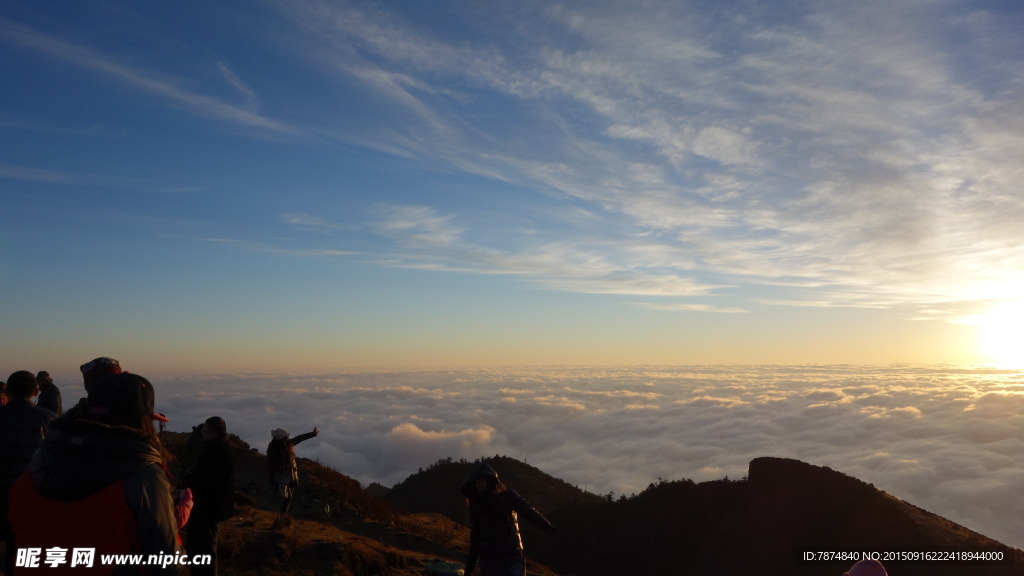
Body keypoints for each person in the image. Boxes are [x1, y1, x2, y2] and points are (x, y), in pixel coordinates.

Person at [8, 372, 186, 576]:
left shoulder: (39, 464)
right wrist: (172, 519)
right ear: (143, 422)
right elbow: (166, 567)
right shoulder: (144, 477)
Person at [0, 371, 58, 576]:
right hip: (32, 493)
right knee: (24, 550)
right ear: (35, 391)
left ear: (7, 390)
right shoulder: (49, 419)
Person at [459, 463, 556, 576]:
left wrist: (544, 524)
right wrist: (469, 569)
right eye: (476, 482)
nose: (479, 484)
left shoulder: (507, 497)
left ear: (489, 481)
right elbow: (475, 540)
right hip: (489, 561)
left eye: (481, 480)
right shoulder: (476, 508)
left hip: (511, 556)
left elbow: (526, 509)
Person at [180, 416, 235, 576]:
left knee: (205, 548)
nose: (202, 432)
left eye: (204, 430)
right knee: (200, 547)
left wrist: (189, 479)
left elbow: (207, 481)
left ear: (212, 432)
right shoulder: (218, 447)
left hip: (208, 509)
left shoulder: (216, 451)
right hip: (207, 508)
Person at [266, 426, 318, 526]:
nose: (287, 438)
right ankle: (281, 518)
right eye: (286, 437)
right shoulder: (275, 449)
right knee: (288, 498)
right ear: (281, 438)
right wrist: (272, 479)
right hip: (283, 475)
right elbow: (271, 465)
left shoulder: (284, 444)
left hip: (289, 474)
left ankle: (282, 517)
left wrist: (312, 434)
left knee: (288, 497)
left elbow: (299, 438)